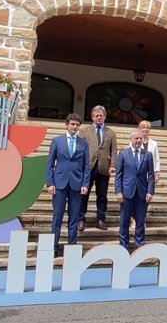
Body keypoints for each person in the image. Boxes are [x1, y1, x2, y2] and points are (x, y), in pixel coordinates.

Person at [46, 113, 90, 257]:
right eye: (72, 124)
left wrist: (85, 183)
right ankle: (53, 248)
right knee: (57, 218)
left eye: (77, 125)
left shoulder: (83, 143)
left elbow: (86, 166)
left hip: (76, 184)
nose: (74, 127)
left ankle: (72, 247)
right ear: (66, 125)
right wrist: (50, 183)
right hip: (59, 184)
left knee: (74, 218)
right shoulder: (57, 141)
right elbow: (50, 164)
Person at [78, 105, 118, 231]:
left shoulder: (110, 133)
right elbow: (79, 149)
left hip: (103, 168)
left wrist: (113, 165)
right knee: (83, 195)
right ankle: (80, 219)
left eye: (101, 115)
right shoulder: (84, 131)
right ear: (92, 117)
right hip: (87, 167)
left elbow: (114, 150)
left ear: (105, 117)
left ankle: (100, 219)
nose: (99, 118)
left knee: (102, 196)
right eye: (97, 115)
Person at [115, 130, 155, 250]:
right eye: (136, 138)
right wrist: (118, 191)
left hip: (142, 192)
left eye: (140, 139)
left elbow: (151, 175)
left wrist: (150, 191)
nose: (138, 141)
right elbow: (118, 174)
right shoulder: (123, 154)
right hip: (127, 192)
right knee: (124, 220)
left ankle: (139, 244)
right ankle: (123, 245)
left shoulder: (147, 155)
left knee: (140, 220)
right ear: (131, 140)